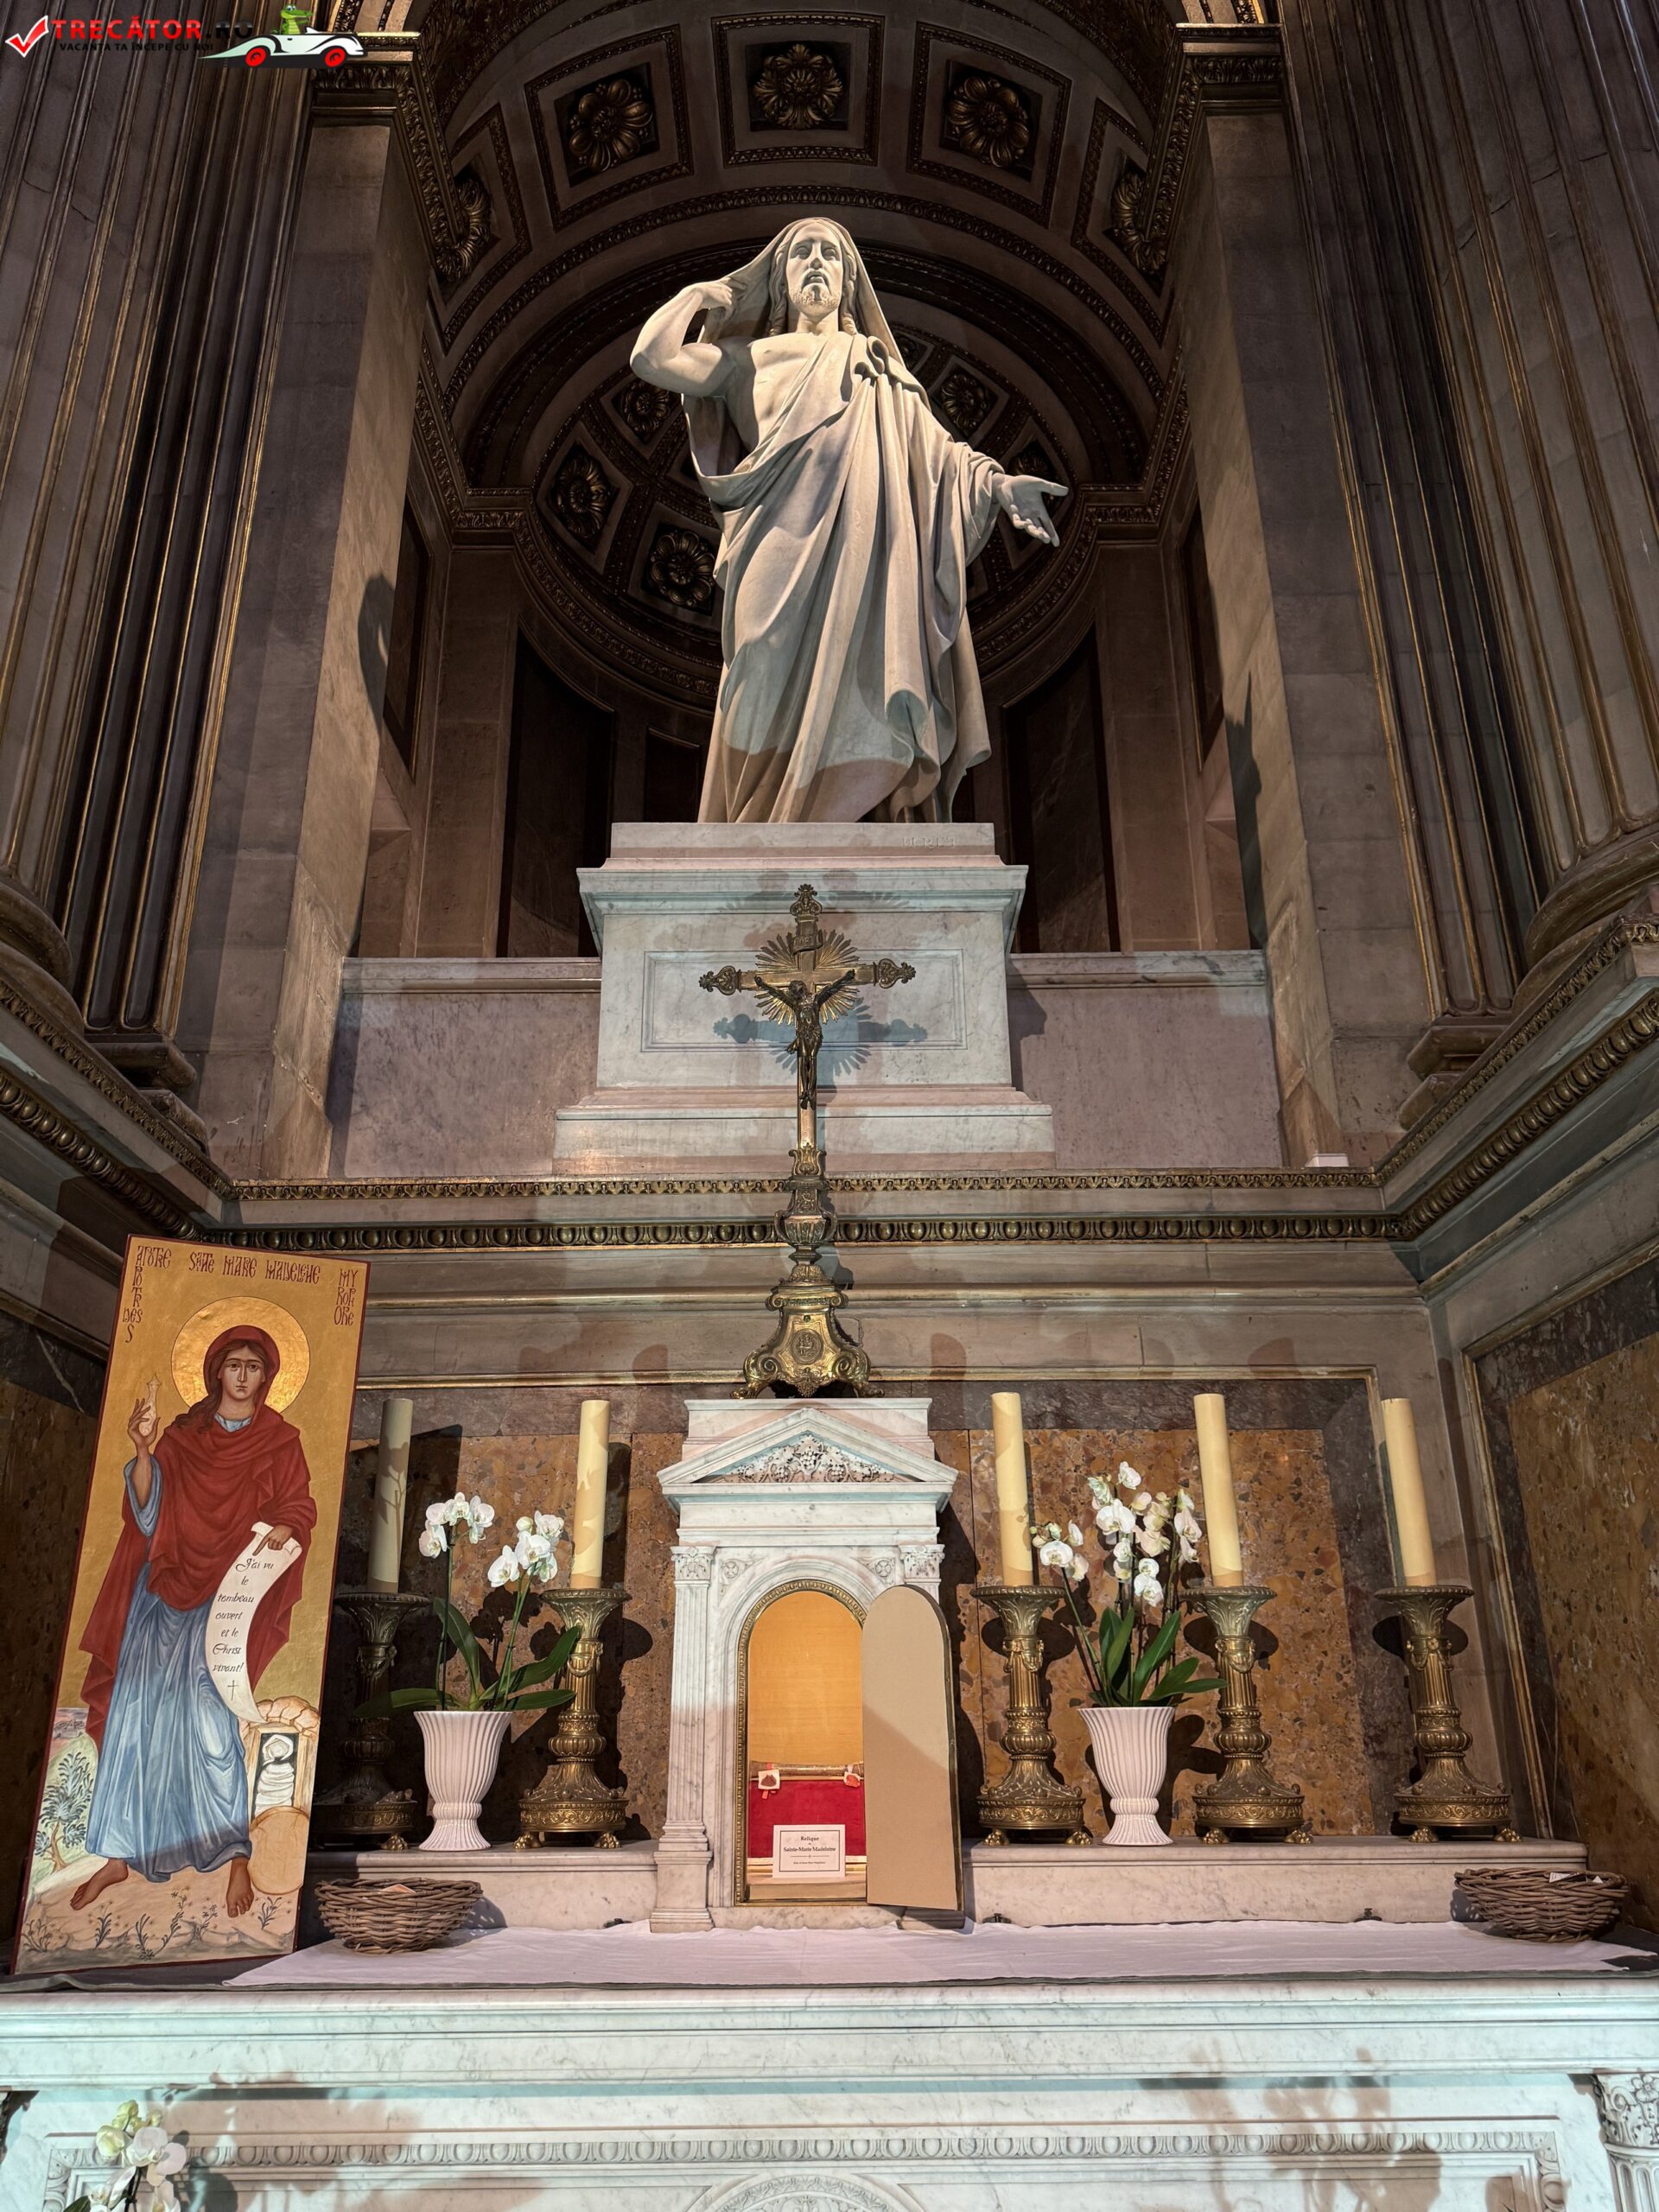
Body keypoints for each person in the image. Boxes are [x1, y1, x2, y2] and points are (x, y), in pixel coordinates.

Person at [632, 217, 1065, 824]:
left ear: (849, 281)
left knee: (864, 677)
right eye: (802, 253)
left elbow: (938, 458)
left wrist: (998, 484)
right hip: (773, 546)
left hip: (865, 558)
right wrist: (702, 295)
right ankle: (756, 825)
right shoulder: (747, 360)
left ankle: (839, 813)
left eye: (831, 254)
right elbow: (651, 358)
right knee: (755, 660)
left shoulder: (878, 368)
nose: (816, 262)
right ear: (779, 281)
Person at [71, 1328, 315, 1919]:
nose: (242, 1376)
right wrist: (144, 1449)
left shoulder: (281, 1441)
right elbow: (147, 1515)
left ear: (267, 1376)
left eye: (253, 1367)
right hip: (163, 1592)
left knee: (212, 1723)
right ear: (215, 1372)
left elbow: (298, 1505)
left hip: (225, 1601)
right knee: (136, 1718)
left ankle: (234, 1854)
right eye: (233, 1365)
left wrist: (287, 1524)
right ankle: (119, 1852)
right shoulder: (182, 1437)